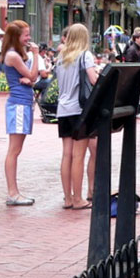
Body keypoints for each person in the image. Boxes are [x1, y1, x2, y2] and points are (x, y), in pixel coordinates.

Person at [55, 23, 98, 210]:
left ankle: (67, 198)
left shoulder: (60, 57)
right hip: (80, 110)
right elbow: (93, 80)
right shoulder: (85, 56)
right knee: (79, 156)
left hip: (63, 109)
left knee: (67, 155)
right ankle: (79, 198)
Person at [1, 20, 39, 206]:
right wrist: (36, 55)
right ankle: (12, 193)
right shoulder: (13, 56)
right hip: (18, 105)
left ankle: (14, 192)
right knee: (14, 150)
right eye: (26, 35)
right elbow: (33, 75)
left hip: (23, 103)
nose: (29, 38)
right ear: (17, 37)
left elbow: (31, 78)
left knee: (16, 150)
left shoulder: (16, 55)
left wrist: (30, 79)